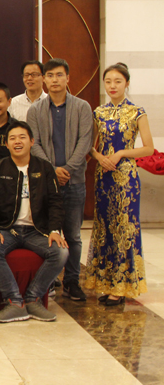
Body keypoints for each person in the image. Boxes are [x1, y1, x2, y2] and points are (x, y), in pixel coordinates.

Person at [0, 121, 68, 322]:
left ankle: (33, 299)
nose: (17, 142)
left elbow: (55, 202)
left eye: (22, 137)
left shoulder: (44, 168)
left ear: (31, 141)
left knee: (61, 252)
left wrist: (55, 230)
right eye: (12, 138)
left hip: (37, 231)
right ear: (6, 144)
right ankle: (14, 302)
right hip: (7, 229)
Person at [84, 63, 155, 306]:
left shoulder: (137, 112)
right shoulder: (99, 112)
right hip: (103, 175)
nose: (112, 86)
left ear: (127, 83)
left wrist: (121, 153)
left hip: (126, 178)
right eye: (108, 81)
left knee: (124, 228)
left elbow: (148, 148)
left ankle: (123, 286)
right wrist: (99, 157)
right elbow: (89, 145)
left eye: (117, 81)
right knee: (104, 227)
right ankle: (105, 283)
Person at [27, 58, 93, 302]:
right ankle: (51, 279)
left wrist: (66, 169)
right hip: (47, 183)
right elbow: (34, 144)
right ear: (44, 79)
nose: (54, 80)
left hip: (74, 182)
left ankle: (72, 281)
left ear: (68, 78)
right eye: (50, 75)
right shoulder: (35, 111)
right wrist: (52, 170)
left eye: (59, 75)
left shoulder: (82, 107)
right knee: (47, 232)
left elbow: (85, 141)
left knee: (73, 235)